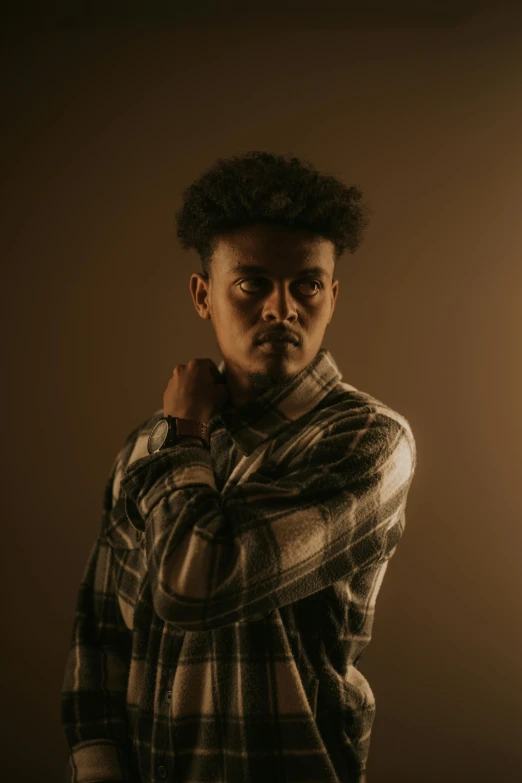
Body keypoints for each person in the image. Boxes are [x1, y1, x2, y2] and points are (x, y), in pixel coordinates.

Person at [61, 150, 417, 783]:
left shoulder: (367, 441)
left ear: (332, 297)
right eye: (253, 283)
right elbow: (98, 639)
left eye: (307, 284)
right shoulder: (150, 448)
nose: (282, 308)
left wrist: (185, 432)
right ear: (204, 295)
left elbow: (194, 586)